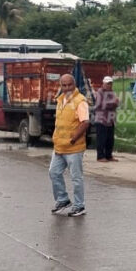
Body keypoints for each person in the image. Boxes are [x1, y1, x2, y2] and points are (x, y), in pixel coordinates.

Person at [49, 74, 90, 217]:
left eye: (69, 85)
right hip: (59, 147)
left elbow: (85, 122)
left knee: (76, 178)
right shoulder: (60, 100)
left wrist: (73, 139)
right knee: (53, 173)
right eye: (64, 85)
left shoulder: (80, 101)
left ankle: (79, 206)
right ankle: (63, 200)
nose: (67, 88)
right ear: (61, 85)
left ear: (74, 84)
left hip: (73, 148)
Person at [93, 76, 120, 162]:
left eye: (110, 84)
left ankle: (109, 155)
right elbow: (101, 104)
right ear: (103, 84)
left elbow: (115, 103)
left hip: (110, 120)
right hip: (101, 119)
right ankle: (100, 156)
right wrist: (113, 103)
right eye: (108, 84)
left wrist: (114, 103)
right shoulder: (100, 92)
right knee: (101, 139)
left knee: (110, 139)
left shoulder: (111, 92)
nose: (109, 85)